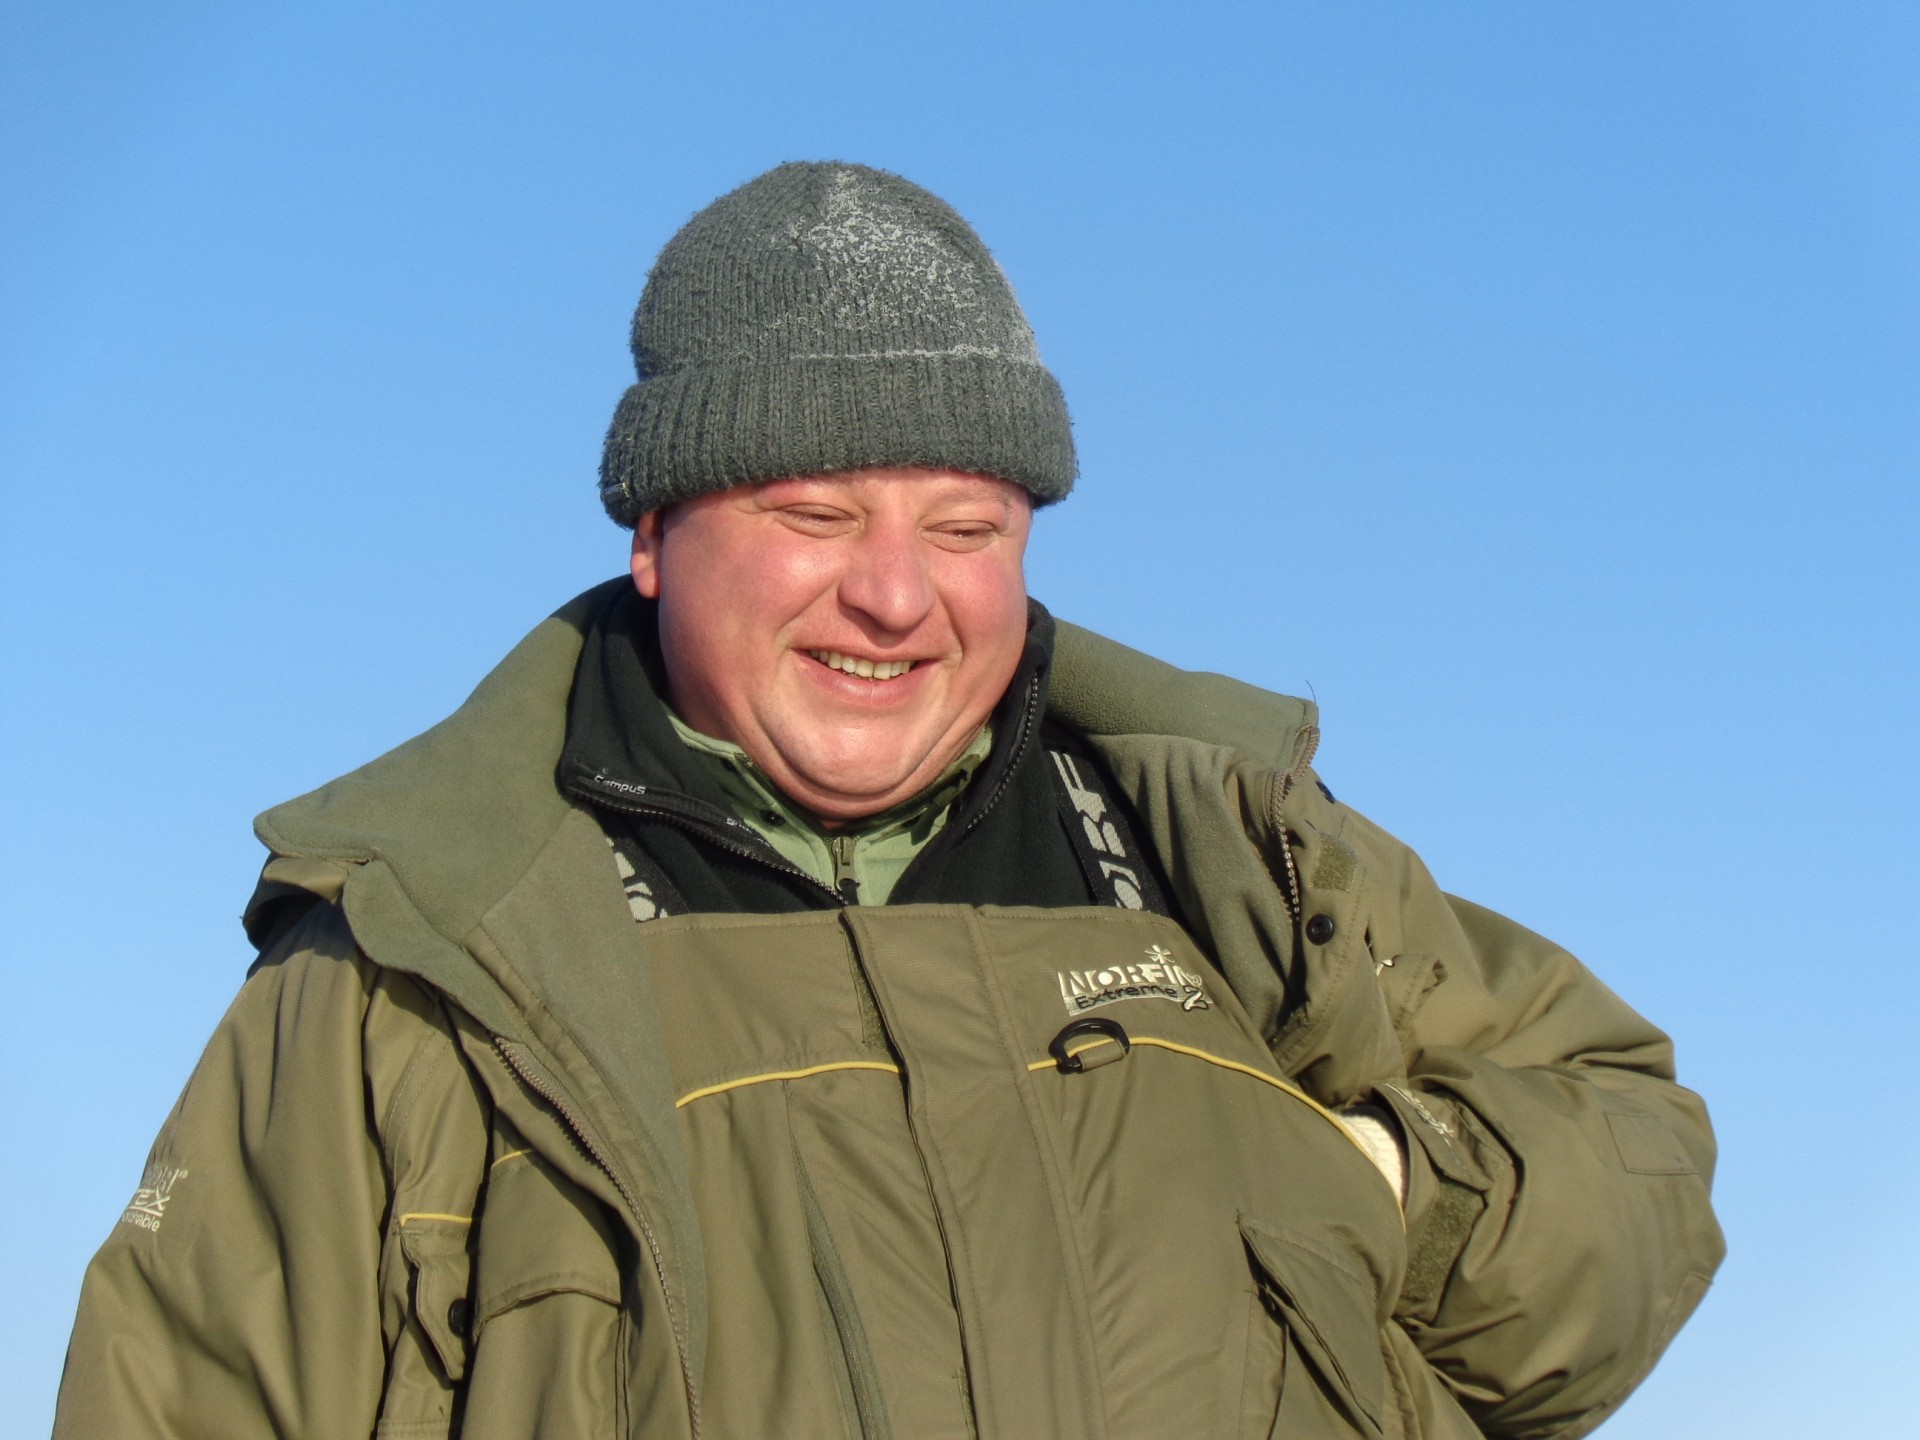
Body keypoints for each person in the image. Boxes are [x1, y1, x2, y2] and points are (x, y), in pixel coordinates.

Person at [54, 162, 1723, 1440]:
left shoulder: (1228, 855)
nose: (898, 597)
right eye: (816, 513)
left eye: (968, 528)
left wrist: (1386, 1189)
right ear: (654, 534)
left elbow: (1630, 1138)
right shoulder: (412, 970)